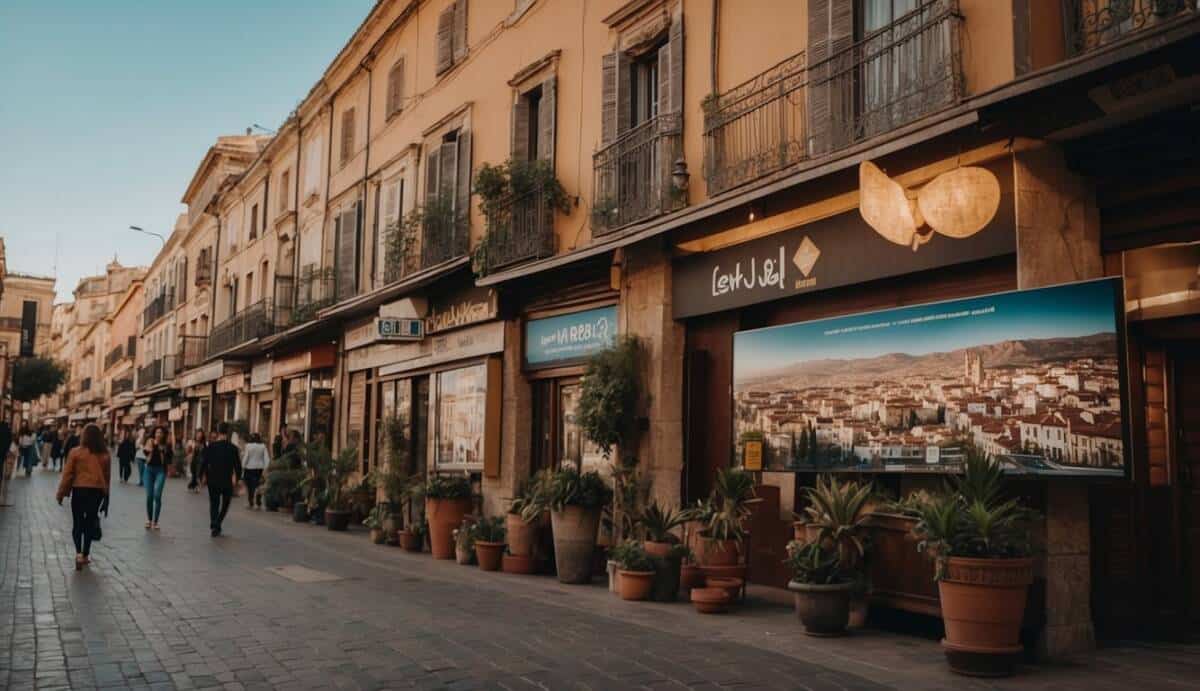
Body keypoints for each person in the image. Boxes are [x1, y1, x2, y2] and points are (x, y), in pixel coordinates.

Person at [56, 423, 111, 571]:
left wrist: (61, 494)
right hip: (97, 492)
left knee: (77, 523)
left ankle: (78, 554)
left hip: (79, 490)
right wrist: (107, 499)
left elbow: (67, 475)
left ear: (84, 436)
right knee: (89, 522)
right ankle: (86, 554)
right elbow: (107, 478)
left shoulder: (75, 452)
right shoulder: (105, 455)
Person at [198, 422, 242, 537]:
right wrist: (237, 479)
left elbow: (203, 463)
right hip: (227, 481)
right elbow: (238, 467)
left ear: (217, 432)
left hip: (213, 480)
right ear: (228, 433)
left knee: (214, 503)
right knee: (226, 504)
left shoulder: (211, 446)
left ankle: (214, 523)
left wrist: (201, 476)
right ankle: (217, 522)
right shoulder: (233, 448)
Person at [142, 426, 171, 530]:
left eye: (160, 432)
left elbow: (169, 458)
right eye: (157, 432)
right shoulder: (150, 441)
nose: (158, 434)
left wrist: (163, 450)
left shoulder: (166, 445)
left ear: (163, 435)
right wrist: (150, 447)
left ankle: (156, 521)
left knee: (157, 495)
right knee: (149, 495)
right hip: (149, 470)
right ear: (154, 433)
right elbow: (145, 452)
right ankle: (149, 520)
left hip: (160, 471)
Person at [241, 433, 270, 509]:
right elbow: (266, 458)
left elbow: (246, 457)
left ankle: (250, 502)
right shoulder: (263, 446)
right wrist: (266, 467)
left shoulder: (248, 446)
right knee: (258, 485)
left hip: (249, 468)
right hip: (259, 469)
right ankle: (258, 501)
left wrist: (243, 465)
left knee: (250, 486)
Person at [186, 429, 206, 493]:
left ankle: (197, 486)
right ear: (196, 435)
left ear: (202, 436)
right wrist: (191, 447)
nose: (199, 436)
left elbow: (205, 454)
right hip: (193, 460)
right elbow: (187, 452)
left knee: (198, 474)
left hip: (200, 462)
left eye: (200, 435)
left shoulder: (204, 444)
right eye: (198, 434)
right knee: (194, 474)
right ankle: (193, 484)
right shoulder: (191, 442)